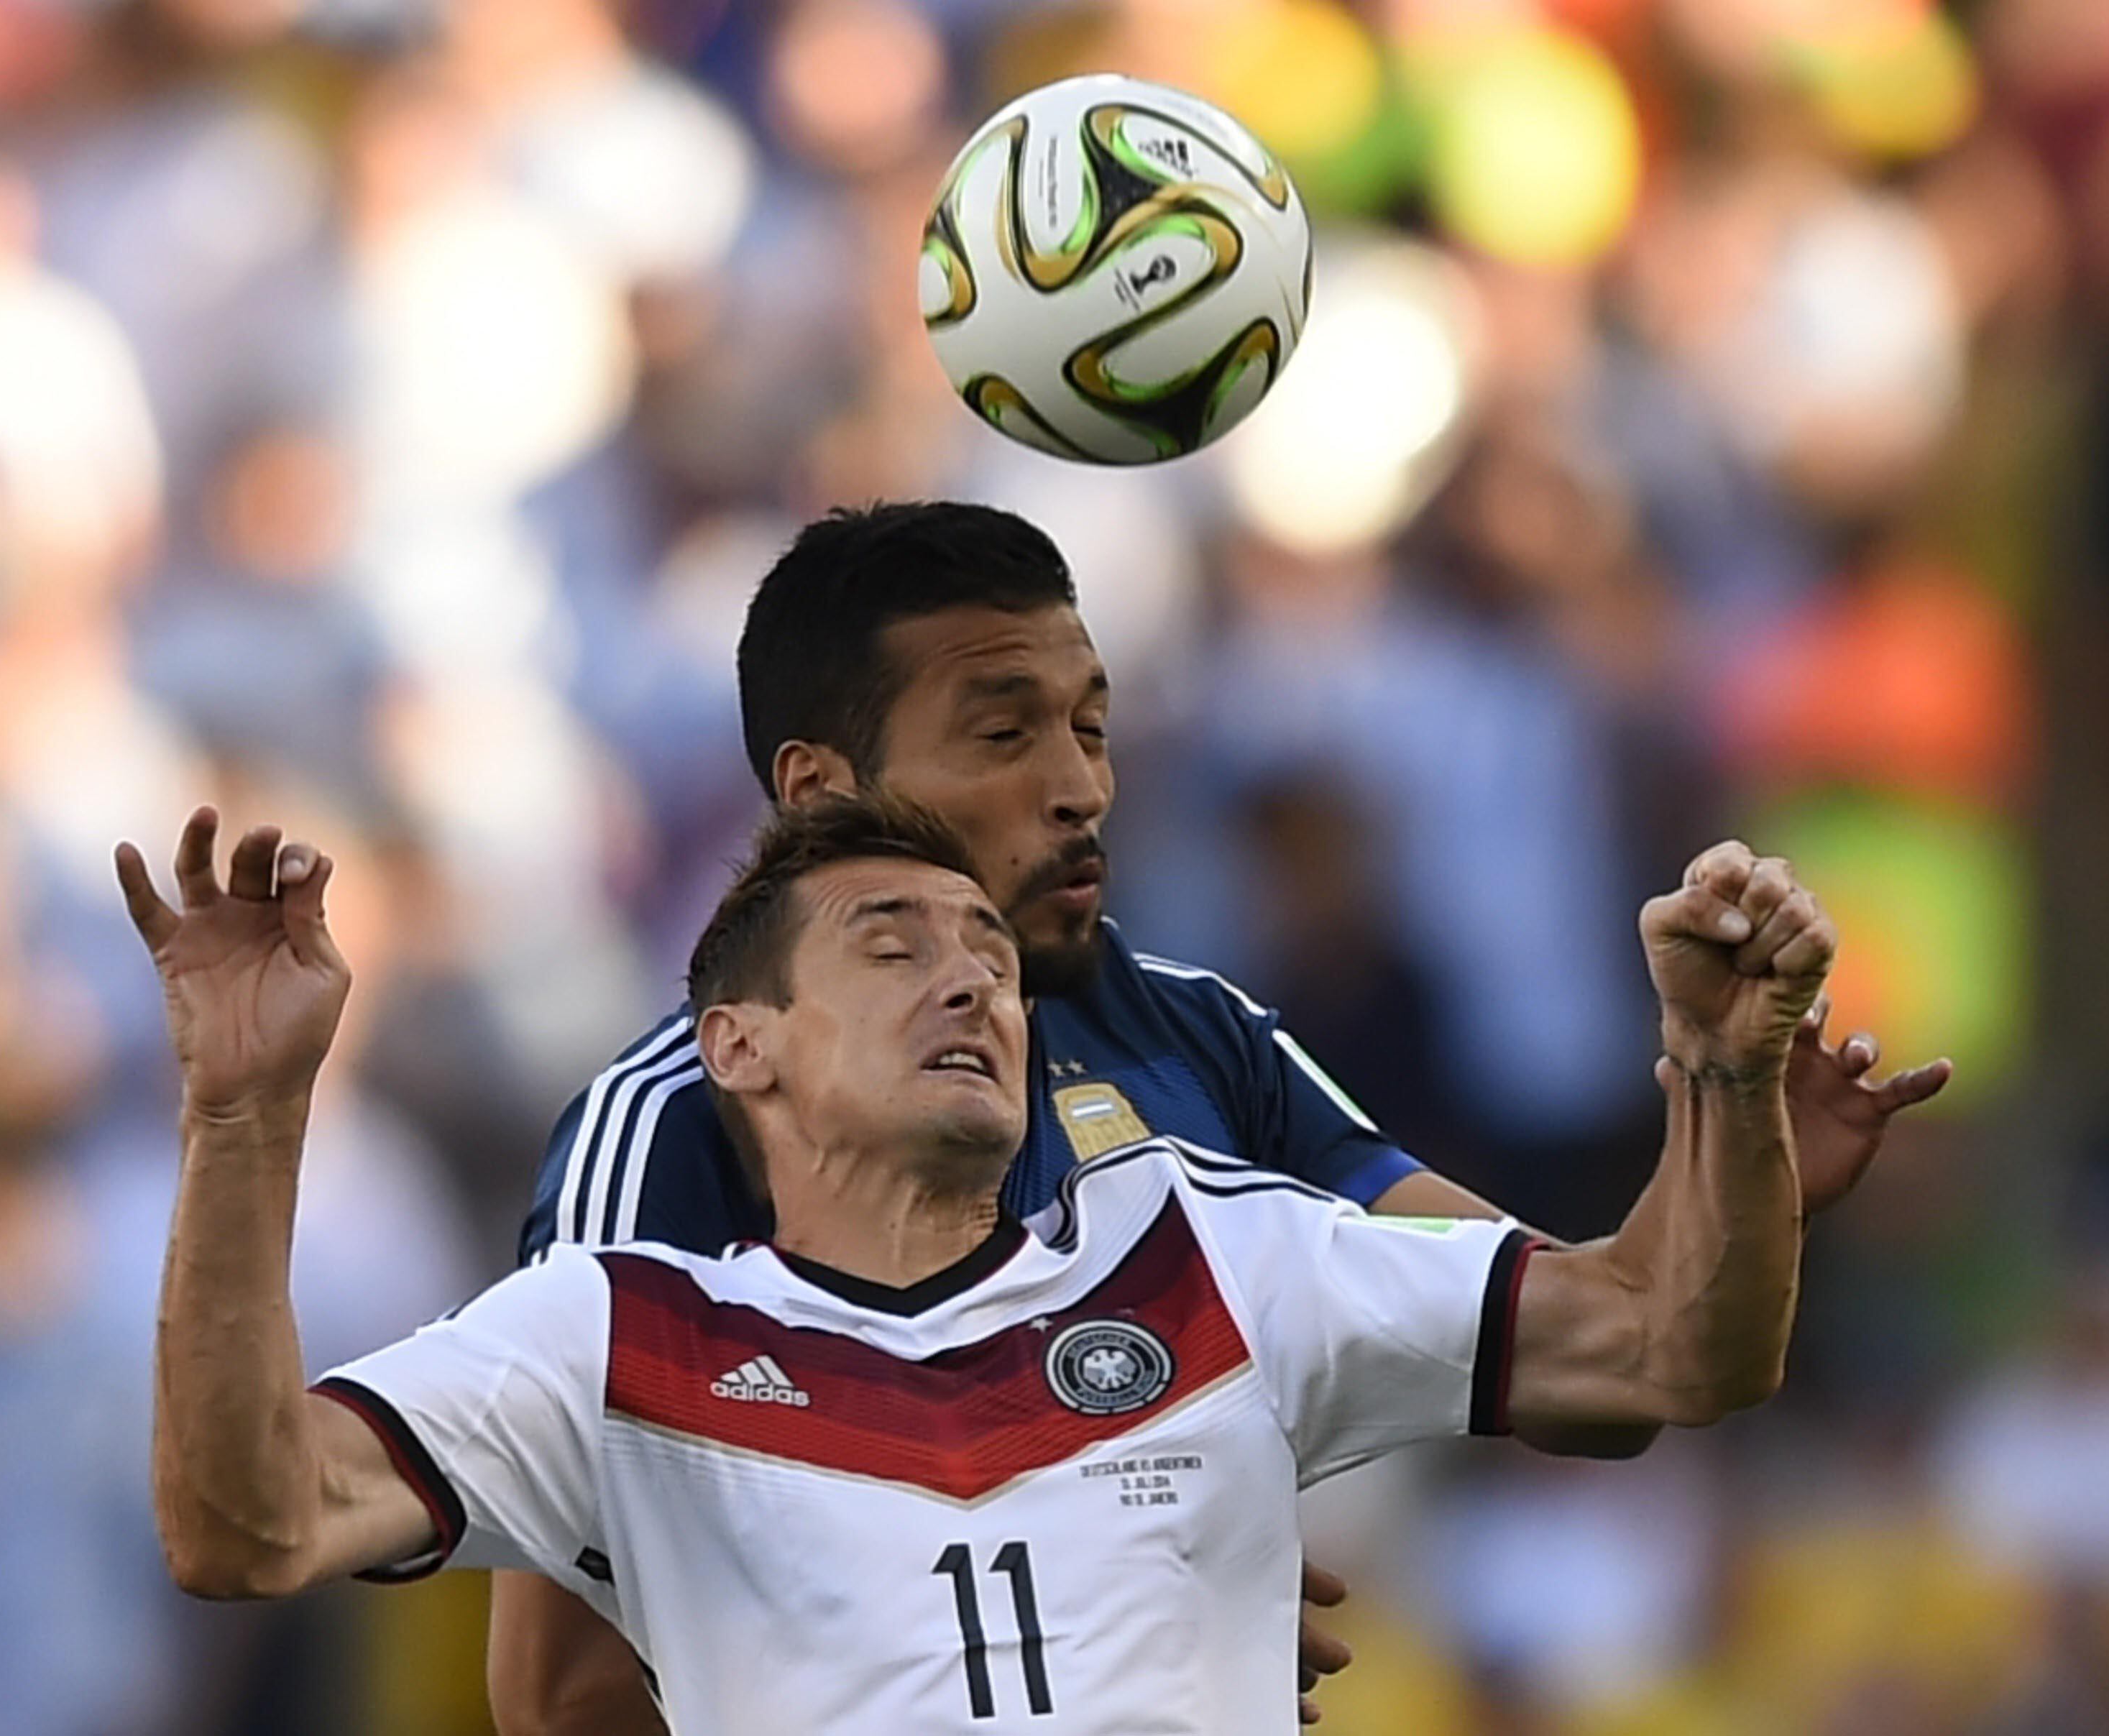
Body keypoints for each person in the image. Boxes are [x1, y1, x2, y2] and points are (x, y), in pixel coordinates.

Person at [500, 500, 1953, 1730]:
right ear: (822, 791)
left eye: (1091, 726)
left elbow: (1642, 1354)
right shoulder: (679, 1124)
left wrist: (1728, 1094)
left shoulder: (1197, 1035)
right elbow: (559, 1687)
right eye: (1003, 733)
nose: (1080, 786)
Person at [126, 793, 1836, 1735]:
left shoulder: (1211, 1254)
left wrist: (1728, 1075)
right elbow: (243, 1522)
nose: (972, 982)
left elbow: (1676, 1347)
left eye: (988, 955)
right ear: (741, 1043)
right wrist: (247, 1112)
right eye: (893, 942)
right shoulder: (618, 1333)